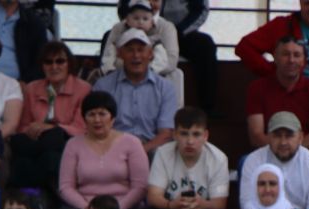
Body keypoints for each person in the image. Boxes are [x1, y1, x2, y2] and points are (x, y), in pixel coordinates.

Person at [13, 41, 86, 194]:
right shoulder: (32, 88)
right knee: (18, 145)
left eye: (60, 61)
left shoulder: (83, 89)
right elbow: (23, 126)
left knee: (53, 146)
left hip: (65, 141)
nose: (54, 67)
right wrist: (33, 130)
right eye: (48, 62)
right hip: (35, 141)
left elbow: (81, 129)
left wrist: (51, 128)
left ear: (69, 64)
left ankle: (44, 193)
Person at [92, 28, 176, 157]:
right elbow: (97, 128)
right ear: (120, 54)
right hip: (112, 150)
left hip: (151, 150)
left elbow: (166, 133)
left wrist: (139, 152)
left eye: (141, 50)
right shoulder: (103, 86)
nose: (136, 55)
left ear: (151, 54)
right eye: (130, 50)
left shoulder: (166, 88)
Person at [236, 0, 309, 90]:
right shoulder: (282, 26)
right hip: (286, 94)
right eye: (307, 3)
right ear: (300, 3)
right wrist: (272, 73)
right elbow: (244, 47)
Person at [244, 33, 309, 148]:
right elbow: (256, 135)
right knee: (244, 162)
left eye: (297, 55)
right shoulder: (257, 88)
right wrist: (279, 153)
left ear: (304, 60)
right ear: (275, 57)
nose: (291, 60)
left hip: (305, 154)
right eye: (285, 54)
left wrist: (290, 152)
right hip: (267, 154)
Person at [97, 0, 177, 89]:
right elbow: (108, 55)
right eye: (136, 18)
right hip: (118, 76)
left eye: (145, 19)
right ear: (127, 19)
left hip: (153, 79)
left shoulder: (165, 29)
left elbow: (170, 60)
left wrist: (146, 71)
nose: (140, 22)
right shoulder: (118, 28)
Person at [157, 0, 217, 116]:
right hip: (145, 29)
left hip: (182, 33)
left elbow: (200, 10)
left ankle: (207, 107)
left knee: (205, 45)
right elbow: (124, 7)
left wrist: (179, 31)